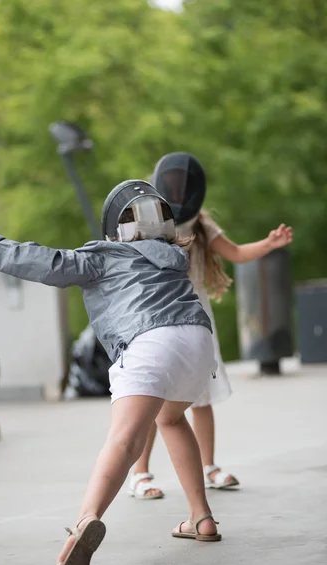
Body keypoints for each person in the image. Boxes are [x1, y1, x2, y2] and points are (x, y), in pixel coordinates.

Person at [0, 179, 223, 565]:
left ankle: (85, 521)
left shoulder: (105, 254)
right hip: (199, 344)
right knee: (170, 419)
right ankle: (201, 518)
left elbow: (45, 262)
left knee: (123, 442)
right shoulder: (173, 256)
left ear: (115, 227)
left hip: (151, 341)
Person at [129, 152, 293, 499]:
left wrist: (269, 243)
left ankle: (208, 466)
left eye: (183, 185)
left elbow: (235, 253)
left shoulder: (202, 226)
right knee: (151, 399)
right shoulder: (145, 222)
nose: (177, 189)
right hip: (159, 319)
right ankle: (139, 473)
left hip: (197, 321)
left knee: (200, 397)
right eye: (171, 183)